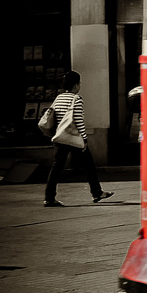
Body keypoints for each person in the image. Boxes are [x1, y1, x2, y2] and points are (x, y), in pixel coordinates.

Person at [42, 71, 111, 208]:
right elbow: (79, 121)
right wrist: (84, 140)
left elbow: (53, 117)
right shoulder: (76, 99)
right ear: (75, 85)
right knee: (89, 165)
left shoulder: (58, 98)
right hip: (73, 139)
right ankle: (97, 193)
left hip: (60, 138)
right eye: (79, 83)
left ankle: (49, 198)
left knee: (56, 168)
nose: (80, 86)